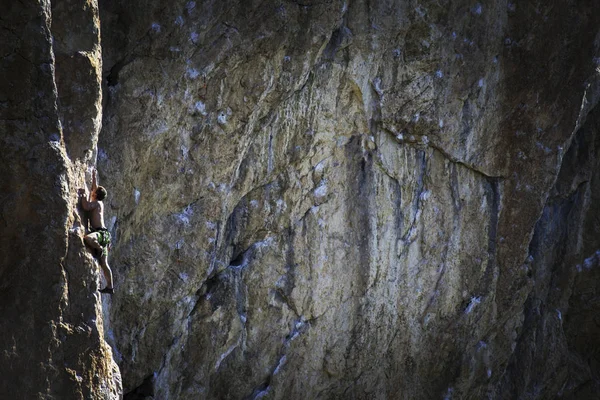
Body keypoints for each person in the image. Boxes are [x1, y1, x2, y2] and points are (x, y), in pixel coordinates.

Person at [78, 168, 114, 294]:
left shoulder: (96, 203)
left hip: (100, 234)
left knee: (88, 239)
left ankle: (98, 248)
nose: (92, 190)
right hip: (105, 235)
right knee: (104, 263)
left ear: (95, 194)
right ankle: (110, 287)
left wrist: (82, 195)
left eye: (93, 191)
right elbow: (95, 188)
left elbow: (86, 206)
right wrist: (93, 177)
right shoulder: (99, 202)